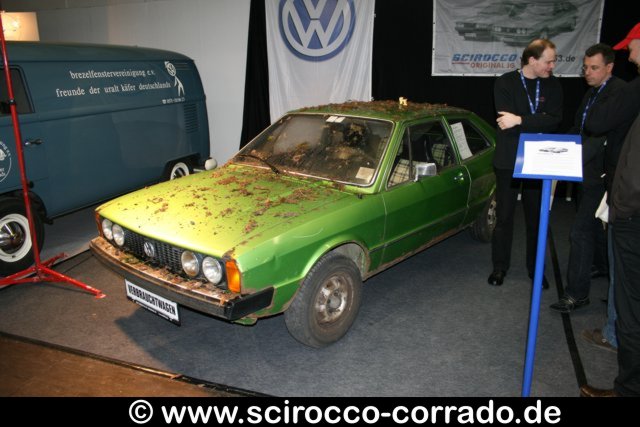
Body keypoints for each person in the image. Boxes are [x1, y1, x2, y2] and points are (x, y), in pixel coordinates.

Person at [580, 22, 640, 397]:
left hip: (632, 210)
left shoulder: (627, 91)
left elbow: (598, 123)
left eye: (632, 45)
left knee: (630, 298)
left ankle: (628, 387)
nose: (630, 53)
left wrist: (621, 204)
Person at [550, 44, 627, 314]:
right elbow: (579, 128)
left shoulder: (619, 93)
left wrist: (568, 160)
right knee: (594, 226)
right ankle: (602, 266)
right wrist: (555, 148)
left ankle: (577, 294)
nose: (587, 73)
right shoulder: (593, 92)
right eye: (585, 67)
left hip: (603, 175)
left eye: (594, 68)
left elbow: (600, 137)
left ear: (609, 67)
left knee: (580, 231)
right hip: (586, 173)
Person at [488, 39, 563, 287]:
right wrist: (535, 120)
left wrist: (520, 119)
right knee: (504, 217)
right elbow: (505, 123)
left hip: (538, 160)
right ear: (532, 60)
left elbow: (554, 120)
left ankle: (536, 269)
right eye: (548, 61)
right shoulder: (505, 82)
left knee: (536, 218)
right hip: (508, 160)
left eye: (553, 61)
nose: (552, 66)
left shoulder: (553, 85)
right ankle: (500, 267)